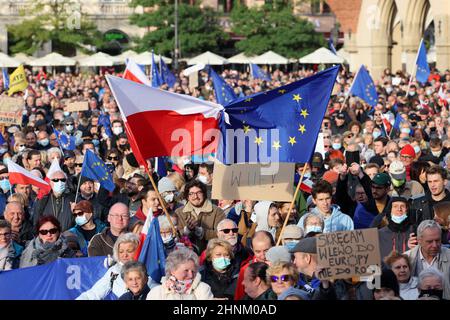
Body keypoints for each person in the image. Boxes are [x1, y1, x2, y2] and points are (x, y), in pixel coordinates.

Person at [77, 233, 150, 299]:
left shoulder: (149, 269)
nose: (125, 255)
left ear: (139, 251)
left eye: (129, 251)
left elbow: (157, 290)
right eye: (121, 251)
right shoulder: (114, 271)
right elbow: (93, 294)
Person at [175, 180, 225, 254]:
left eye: (198, 193)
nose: (195, 196)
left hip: (211, 255)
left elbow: (222, 234)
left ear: (204, 194)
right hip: (187, 256)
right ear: (187, 196)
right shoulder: (179, 212)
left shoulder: (217, 211)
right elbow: (176, 235)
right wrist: (187, 230)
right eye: (191, 193)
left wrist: (202, 232)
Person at [404, 220, 450, 299]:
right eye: (429, 241)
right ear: (419, 241)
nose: (435, 245)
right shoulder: (406, 260)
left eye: (437, 240)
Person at [147, 247, 214, 300]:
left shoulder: (202, 289)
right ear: (172, 271)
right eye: (186, 271)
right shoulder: (157, 293)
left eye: (193, 271)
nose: (191, 275)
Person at [234, 230, 274, 300]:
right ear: (252, 249)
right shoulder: (246, 269)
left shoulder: (281, 266)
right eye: (258, 251)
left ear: (273, 246)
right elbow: (239, 296)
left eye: (266, 251)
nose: (263, 256)